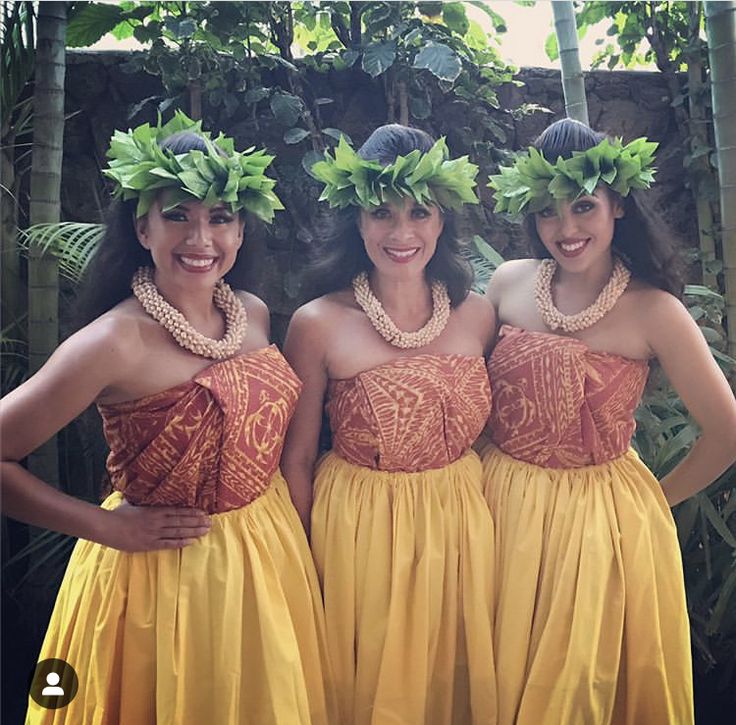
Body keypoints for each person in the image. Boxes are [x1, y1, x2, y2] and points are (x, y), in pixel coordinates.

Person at [2, 111, 334, 725]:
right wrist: (108, 529)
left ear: (241, 232)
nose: (199, 237)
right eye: (177, 214)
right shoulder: (114, 341)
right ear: (142, 227)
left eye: (220, 217)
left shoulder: (253, 314)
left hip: (266, 554)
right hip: (165, 578)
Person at [483, 116, 736, 725]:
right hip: (497, 507)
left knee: (574, 689)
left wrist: (653, 500)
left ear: (616, 204)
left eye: (583, 207)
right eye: (548, 212)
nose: (565, 229)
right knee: (497, 671)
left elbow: (728, 431)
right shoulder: (507, 284)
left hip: (596, 526)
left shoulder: (655, 310)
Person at [281, 125, 497, 725]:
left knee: (455, 679)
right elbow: (295, 459)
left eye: (419, 212)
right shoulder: (318, 323)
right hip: (361, 529)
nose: (401, 233)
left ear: (442, 221)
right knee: (373, 690)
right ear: (356, 221)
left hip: (462, 519)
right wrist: (306, 560)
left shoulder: (478, 314)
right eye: (381, 213)